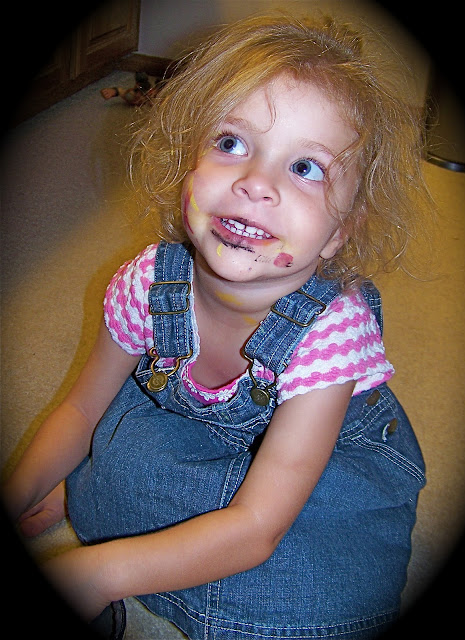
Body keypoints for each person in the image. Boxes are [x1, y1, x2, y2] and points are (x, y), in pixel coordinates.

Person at [3, 12, 430, 640]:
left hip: (305, 482)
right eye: (231, 143)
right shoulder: (148, 284)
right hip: (185, 436)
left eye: (306, 167)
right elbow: (80, 410)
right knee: (123, 455)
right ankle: (103, 508)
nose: (255, 183)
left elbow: (258, 527)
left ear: (340, 232)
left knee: (321, 587)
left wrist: (95, 574)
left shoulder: (332, 333)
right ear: (187, 166)